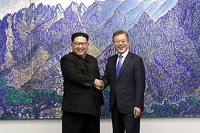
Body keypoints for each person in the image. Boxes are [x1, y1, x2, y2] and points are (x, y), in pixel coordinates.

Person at [98, 30, 145, 133]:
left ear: (128, 42)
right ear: (114, 43)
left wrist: (138, 105)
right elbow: (107, 77)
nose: (120, 44)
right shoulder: (111, 60)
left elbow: (140, 85)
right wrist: (102, 84)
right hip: (115, 106)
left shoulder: (136, 60)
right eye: (117, 41)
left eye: (123, 41)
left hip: (131, 107)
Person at [60, 32, 104, 133]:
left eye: (83, 44)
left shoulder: (93, 60)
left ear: (88, 45)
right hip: (74, 110)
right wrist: (94, 81)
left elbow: (96, 79)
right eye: (77, 44)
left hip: (93, 109)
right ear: (72, 45)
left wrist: (100, 85)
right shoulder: (67, 59)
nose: (80, 46)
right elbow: (73, 76)